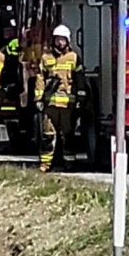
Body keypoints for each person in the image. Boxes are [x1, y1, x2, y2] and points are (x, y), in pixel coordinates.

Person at [34, 24, 86, 172]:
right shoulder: (46, 58)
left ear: (68, 41)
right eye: (58, 39)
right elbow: (40, 78)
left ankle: (70, 164)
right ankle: (45, 165)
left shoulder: (74, 58)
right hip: (50, 105)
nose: (60, 42)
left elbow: (79, 79)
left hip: (67, 106)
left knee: (68, 136)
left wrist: (81, 97)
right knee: (48, 136)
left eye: (63, 39)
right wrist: (38, 98)